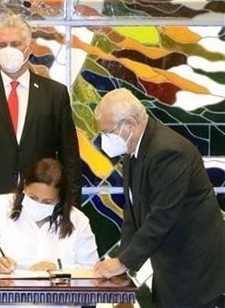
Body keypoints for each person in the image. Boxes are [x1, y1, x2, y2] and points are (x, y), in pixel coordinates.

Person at [0, 15, 82, 239]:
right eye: (2, 45)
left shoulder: (55, 94)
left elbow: (70, 157)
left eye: (15, 44)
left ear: (29, 48)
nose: (8, 50)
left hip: (41, 205)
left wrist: (71, 208)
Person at [93, 88, 225, 307]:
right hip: (170, 266)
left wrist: (123, 262)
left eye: (108, 132)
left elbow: (161, 216)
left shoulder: (168, 152)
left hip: (196, 269)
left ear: (130, 124)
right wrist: (121, 262)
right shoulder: (133, 151)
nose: (104, 140)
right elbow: (131, 213)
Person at [0, 158, 97, 275]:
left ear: (59, 199)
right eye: (33, 197)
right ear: (24, 186)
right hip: (5, 297)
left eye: (47, 202)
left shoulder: (78, 220)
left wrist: (58, 268)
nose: (38, 204)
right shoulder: (0, 206)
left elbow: (91, 270)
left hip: (56, 299)